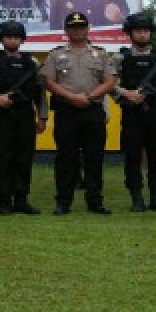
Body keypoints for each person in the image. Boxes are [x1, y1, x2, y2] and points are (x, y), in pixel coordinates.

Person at [43, 12, 116, 215]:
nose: (78, 31)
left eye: (81, 27)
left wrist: (90, 97)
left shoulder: (100, 53)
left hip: (92, 110)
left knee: (94, 157)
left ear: (88, 29)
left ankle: (95, 201)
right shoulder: (56, 54)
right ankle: (63, 202)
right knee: (66, 157)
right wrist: (71, 97)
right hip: (66, 111)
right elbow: (48, 81)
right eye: (73, 27)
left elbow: (110, 81)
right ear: (66, 31)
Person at [0, 21, 48, 215]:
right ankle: (4, 201)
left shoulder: (32, 62)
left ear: (22, 39)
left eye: (16, 37)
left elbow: (40, 92)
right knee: (2, 157)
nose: (12, 40)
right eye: (8, 37)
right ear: (1, 39)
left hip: (25, 114)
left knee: (24, 158)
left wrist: (42, 117)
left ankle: (22, 199)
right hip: (0, 114)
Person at [112, 12, 156, 213]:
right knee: (132, 156)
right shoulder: (120, 58)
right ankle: (136, 197)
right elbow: (109, 84)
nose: (142, 35)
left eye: (146, 31)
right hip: (132, 113)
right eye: (138, 31)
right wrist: (127, 94)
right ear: (130, 34)